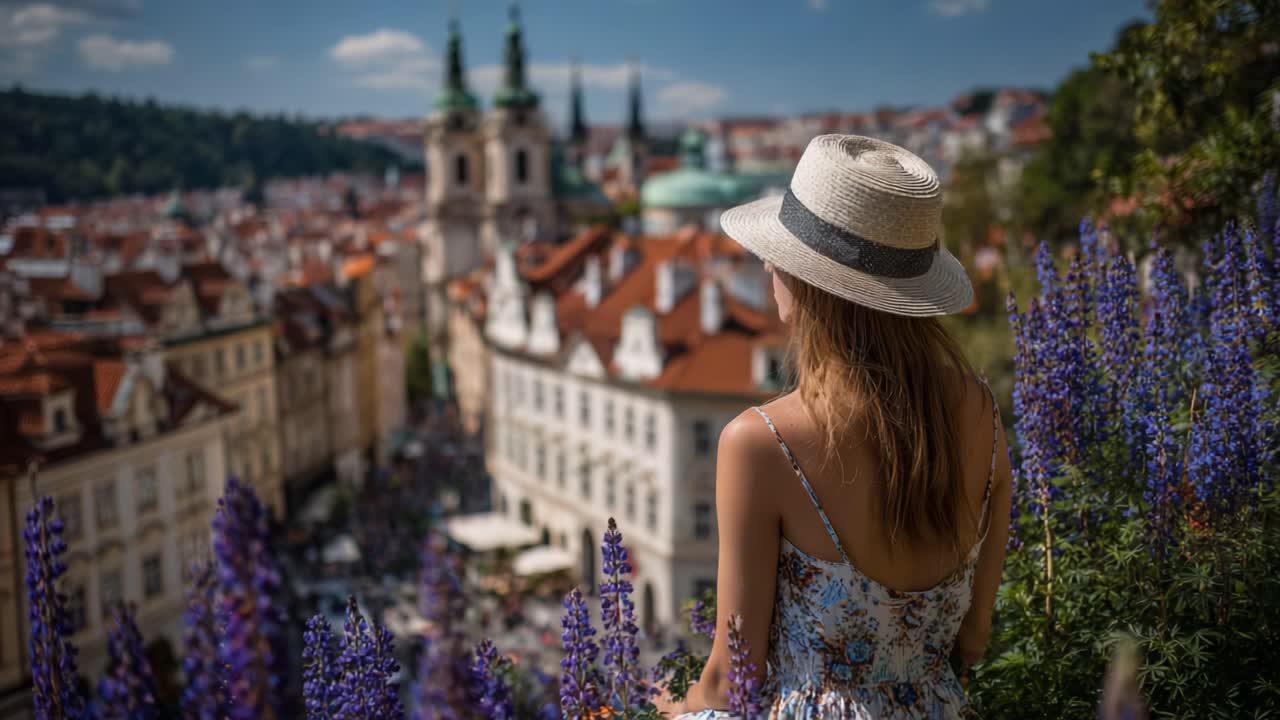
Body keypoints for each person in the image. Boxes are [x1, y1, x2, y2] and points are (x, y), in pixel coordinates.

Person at [656, 135, 1012, 719]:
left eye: (779, 255)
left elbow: (730, 681)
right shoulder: (979, 407)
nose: (767, 264)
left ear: (812, 283)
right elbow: (974, 639)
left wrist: (668, 707)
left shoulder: (762, 443)